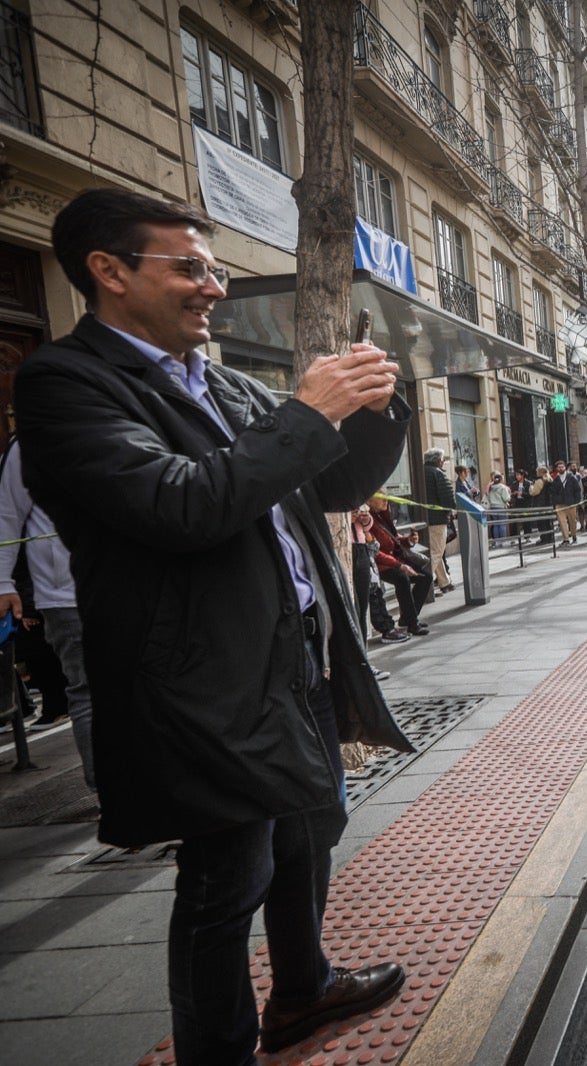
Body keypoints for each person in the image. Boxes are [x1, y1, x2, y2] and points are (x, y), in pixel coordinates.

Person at [17, 188, 411, 1062]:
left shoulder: (223, 381)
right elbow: (182, 508)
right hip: (202, 683)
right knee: (229, 879)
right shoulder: (65, 385)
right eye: (190, 267)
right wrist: (310, 412)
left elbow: (326, 489)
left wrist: (372, 411)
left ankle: (303, 992)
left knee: (311, 834)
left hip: (291, 666)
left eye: (215, 268)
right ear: (109, 272)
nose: (213, 288)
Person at [0, 438, 96, 787]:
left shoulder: (120, 413)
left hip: (128, 586)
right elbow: (7, 512)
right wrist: (2, 584)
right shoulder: (29, 441)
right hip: (65, 594)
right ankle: (107, 794)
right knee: (88, 691)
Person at [350, 505, 408, 645]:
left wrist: (365, 520)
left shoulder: (371, 511)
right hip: (352, 549)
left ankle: (364, 651)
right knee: (360, 602)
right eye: (382, 499)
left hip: (363, 550)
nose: (385, 502)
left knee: (369, 598)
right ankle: (383, 630)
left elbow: (369, 531)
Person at [422, 448, 455, 592]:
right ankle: (420, 582)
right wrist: (451, 510)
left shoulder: (419, 471)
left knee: (436, 550)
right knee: (436, 552)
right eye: (442, 460)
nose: (443, 462)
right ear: (438, 460)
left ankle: (444, 582)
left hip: (422, 519)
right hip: (437, 519)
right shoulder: (438, 473)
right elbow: (448, 498)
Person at [485, 471, 512, 543]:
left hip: (492, 507)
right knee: (502, 524)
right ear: (501, 479)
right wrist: (509, 496)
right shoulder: (503, 487)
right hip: (501, 507)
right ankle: (503, 541)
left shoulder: (490, 487)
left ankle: (497, 541)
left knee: (496, 524)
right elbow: (506, 498)